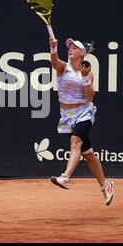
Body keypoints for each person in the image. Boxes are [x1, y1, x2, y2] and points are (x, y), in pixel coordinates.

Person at [49, 37, 115, 206]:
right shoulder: (63, 67)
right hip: (67, 115)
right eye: (69, 47)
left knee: (75, 142)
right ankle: (105, 185)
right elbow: (54, 62)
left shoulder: (88, 73)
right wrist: (53, 48)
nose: (70, 48)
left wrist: (85, 78)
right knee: (88, 154)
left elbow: (90, 96)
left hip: (84, 112)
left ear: (82, 54)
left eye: (74, 47)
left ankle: (65, 177)